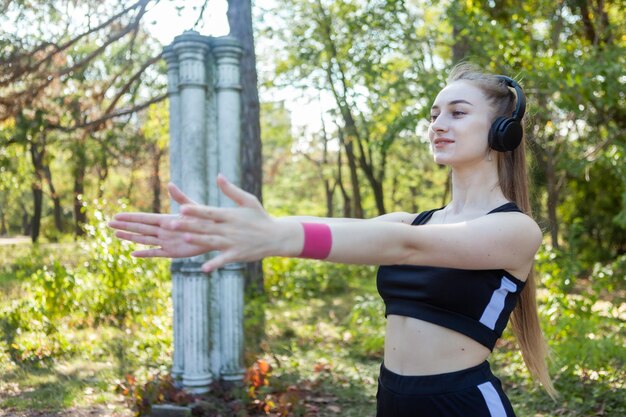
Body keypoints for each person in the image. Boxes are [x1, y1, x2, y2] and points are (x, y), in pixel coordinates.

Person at [109, 63, 555, 416]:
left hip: (461, 403)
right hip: (392, 397)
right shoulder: (414, 220)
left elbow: (401, 246)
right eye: (434, 114)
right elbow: (347, 230)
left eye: (457, 113)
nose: (438, 124)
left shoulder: (516, 230)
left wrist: (278, 236)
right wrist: (237, 229)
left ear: (503, 132)